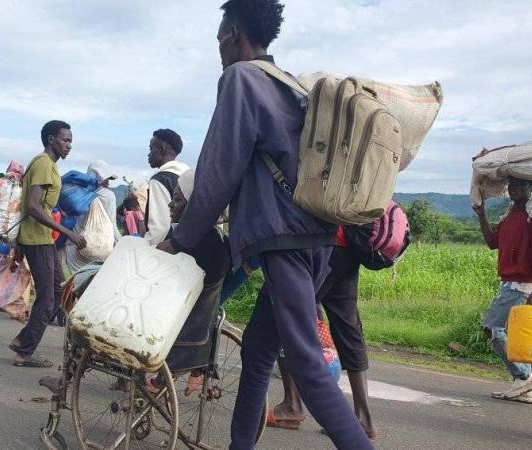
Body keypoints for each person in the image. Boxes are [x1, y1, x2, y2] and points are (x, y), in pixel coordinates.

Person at [157, 2, 373, 448]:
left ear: (234, 33)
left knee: (308, 368)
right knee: (257, 352)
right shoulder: (288, 85)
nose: (218, 49)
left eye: (219, 38)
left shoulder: (241, 78)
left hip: (285, 241)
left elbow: (218, 171)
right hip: (316, 239)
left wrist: (179, 239)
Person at [267, 226, 376, 439]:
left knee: (288, 316)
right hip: (349, 248)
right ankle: (363, 418)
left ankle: (292, 405)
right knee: (348, 328)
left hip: (321, 242)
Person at [9, 120, 86, 368]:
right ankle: (25, 352)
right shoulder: (43, 164)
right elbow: (33, 206)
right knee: (47, 297)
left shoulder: (46, 164)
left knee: (57, 291)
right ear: (51, 139)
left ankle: (24, 342)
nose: (69, 146)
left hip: (40, 238)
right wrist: (69, 233)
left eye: (71, 141)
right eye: (65, 140)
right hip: (38, 239)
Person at [474, 175, 532, 403]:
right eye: (511, 183)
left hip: (520, 284)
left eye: (521, 184)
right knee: (507, 332)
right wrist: (482, 214)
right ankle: (525, 387)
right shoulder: (510, 215)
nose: (513, 188)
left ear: (531, 187)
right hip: (509, 282)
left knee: (492, 327)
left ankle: (524, 376)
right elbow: (492, 242)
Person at [164, 170, 231, 390]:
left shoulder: (185, 241)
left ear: (195, 205)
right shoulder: (217, 239)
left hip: (173, 332)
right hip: (199, 337)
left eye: (176, 199)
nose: (170, 205)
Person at [144, 129, 189, 246]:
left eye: (151, 148)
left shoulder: (160, 180)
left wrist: (144, 249)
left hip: (168, 250)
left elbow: (159, 228)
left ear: (162, 149)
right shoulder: (188, 176)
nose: (149, 154)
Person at [87, 160, 121, 243]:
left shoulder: (80, 192)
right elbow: (111, 225)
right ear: (99, 176)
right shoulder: (108, 196)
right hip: (99, 244)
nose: (108, 184)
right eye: (107, 179)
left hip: (78, 243)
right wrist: (121, 243)